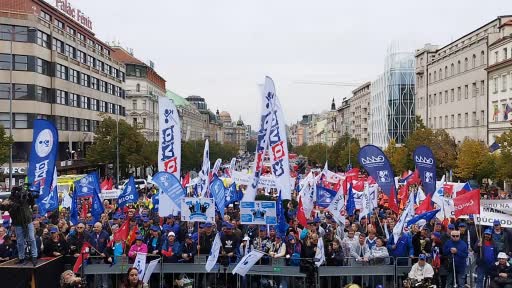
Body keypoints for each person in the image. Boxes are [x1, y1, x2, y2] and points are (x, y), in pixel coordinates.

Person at [0, 186, 38, 265]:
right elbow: (3, 207)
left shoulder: (24, 198)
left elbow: (33, 203)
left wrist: (30, 196)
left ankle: (34, 256)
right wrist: (13, 203)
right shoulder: (10, 201)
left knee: (32, 239)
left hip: (28, 222)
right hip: (18, 224)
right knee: (20, 242)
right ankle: (21, 257)